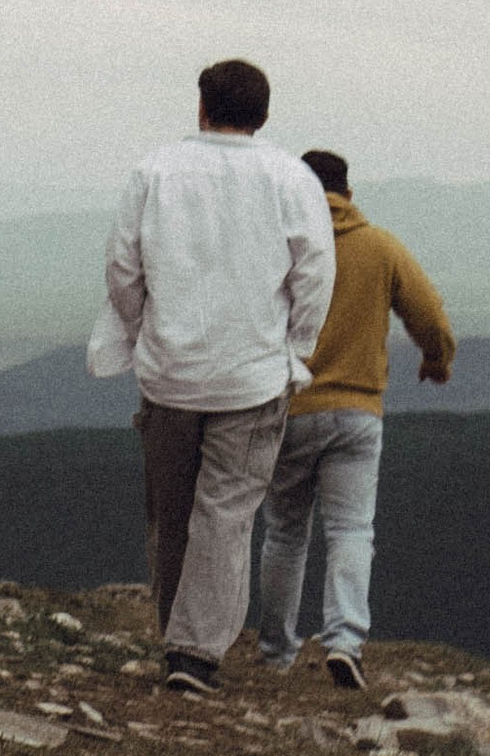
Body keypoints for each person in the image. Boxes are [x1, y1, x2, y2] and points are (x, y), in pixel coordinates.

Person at [89, 59, 335, 696]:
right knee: (226, 513)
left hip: (169, 373)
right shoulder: (291, 177)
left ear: (201, 106)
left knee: (171, 511)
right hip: (252, 376)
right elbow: (314, 273)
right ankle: (194, 655)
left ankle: (179, 639)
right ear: (265, 114)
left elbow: (122, 266)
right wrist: (295, 348)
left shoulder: (156, 172)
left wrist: (148, 329)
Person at [255, 151, 454, 689]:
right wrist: (437, 359)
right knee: (350, 529)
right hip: (358, 412)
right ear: (349, 193)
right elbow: (429, 314)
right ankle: (344, 642)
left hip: (288, 406)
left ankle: (275, 650)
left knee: (284, 533)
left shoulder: (278, 246)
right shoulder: (379, 245)